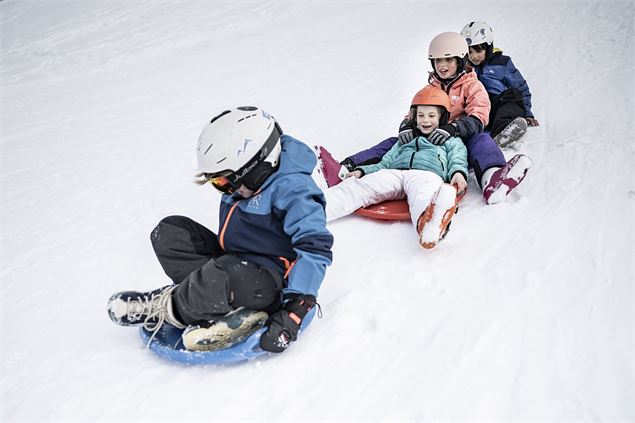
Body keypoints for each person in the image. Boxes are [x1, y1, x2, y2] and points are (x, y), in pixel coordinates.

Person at [107, 106, 334, 354]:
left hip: (272, 282)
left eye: (225, 181)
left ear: (260, 164)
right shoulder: (248, 183)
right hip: (233, 263)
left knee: (224, 274)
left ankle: (171, 307)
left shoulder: (295, 191)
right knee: (171, 232)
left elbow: (315, 250)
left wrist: (295, 308)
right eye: (217, 183)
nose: (227, 190)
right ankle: (209, 297)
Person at [320, 32, 532, 206]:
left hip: (458, 142)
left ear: (461, 60)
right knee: (393, 143)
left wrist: (454, 129)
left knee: (482, 141)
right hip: (427, 141)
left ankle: (492, 179)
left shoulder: (472, 85)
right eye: (438, 60)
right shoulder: (430, 88)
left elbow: (480, 116)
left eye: (448, 59)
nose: (442, 65)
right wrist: (407, 127)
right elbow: (412, 114)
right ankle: (346, 168)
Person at [324, 85, 468, 249]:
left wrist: (458, 173)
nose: (425, 120)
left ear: (441, 117)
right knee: (363, 186)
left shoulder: (449, 140)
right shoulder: (405, 139)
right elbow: (385, 162)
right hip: (395, 173)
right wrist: (362, 171)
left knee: (424, 195)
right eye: (420, 115)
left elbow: (458, 157)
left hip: (426, 174)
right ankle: (316, 207)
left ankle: (430, 224)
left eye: (431, 115)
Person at [460, 21, 539, 147]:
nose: (474, 56)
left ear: (489, 47)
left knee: (513, 94)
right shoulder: (463, 68)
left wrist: (527, 113)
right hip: (476, 110)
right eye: (470, 52)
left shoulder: (502, 63)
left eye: (478, 51)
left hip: (497, 106)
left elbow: (521, 87)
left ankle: (503, 132)